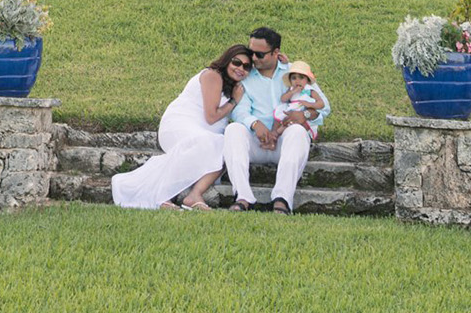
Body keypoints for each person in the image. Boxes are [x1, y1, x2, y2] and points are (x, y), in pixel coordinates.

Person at [111, 45, 252, 210]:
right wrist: (234, 101)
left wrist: (283, 65)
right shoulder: (213, 76)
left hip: (204, 133)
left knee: (225, 146)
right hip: (180, 125)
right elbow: (211, 116)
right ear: (227, 60)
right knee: (210, 142)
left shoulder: (231, 85)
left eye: (246, 66)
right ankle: (161, 196)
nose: (240, 68)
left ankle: (194, 195)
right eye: (236, 62)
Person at [223, 26, 328, 213]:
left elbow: (325, 108)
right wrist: (255, 125)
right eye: (251, 52)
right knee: (234, 130)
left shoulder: (294, 73)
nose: (253, 58)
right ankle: (243, 197)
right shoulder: (246, 76)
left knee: (297, 131)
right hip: (257, 141)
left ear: (276, 52)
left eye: (260, 54)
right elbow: (239, 111)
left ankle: (282, 200)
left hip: (285, 142)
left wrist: (303, 115)